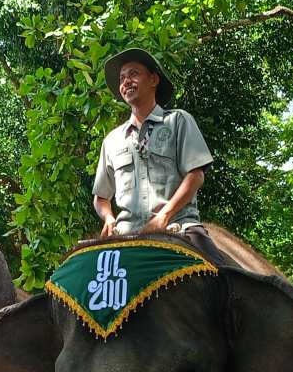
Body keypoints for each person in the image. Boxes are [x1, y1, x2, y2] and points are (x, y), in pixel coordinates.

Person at [92, 48, 225, 262]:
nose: (126, 81)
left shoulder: (178, 121)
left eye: (134, 74)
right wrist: (108, 218)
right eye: (122, 78)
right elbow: (101, 197)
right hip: (127, 237)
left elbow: (196, 175)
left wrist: (163, 216)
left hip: (180, 227)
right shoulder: (112, 141)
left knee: (222, 278)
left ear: (153, 80)